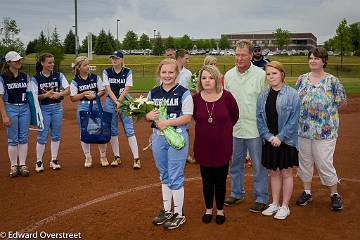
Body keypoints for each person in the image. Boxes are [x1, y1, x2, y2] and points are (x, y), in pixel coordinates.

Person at [295, 47, 347, 211]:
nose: (313, 61)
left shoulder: (333, 81)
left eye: (316, 58)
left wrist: (326, 112)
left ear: (324, 61)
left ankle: (334, 194)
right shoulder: (302, 79)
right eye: (310, 58)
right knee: (304, 162)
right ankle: (307, 192)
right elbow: (295, 100)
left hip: (325, 132)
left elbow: (343, 102)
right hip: (303, 130)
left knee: (324, 163)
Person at [145, 58, 193, 230]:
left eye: (171, 72)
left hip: (177, 137)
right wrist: (147, 116)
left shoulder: (183, 92)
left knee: (175, 176)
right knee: (164, 174)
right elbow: (148, 114)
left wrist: (167, 123)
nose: (167, 75)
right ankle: (167, 210)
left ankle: (179, 214)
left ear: (177, 74)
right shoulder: (153, 93)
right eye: (164, 72)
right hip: (158, 137)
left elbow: (187, 117)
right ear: (160, 73)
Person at [224, 40, 269, 213]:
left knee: (258, 165)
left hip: (255, 129)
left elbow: (266, 101)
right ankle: (237, 193)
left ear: (251, 55)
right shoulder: (228, 76)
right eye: (237, 54)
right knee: (235, 163)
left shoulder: (260, 75)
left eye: (243, 55)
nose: (239, 58)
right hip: (235, 128)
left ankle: (261, 197)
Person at [193, 65, 239, 224]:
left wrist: (222, 130)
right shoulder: (195, 99)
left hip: (222, 146)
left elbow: (235, 116)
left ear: (217, 80)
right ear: (200, 80)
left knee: (220, 180)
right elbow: (192, 117)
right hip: (203, 146)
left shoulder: (227, 97)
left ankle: (220, 210)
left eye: (211, 78)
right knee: (206, 181)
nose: (207, 81)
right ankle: (208, 209)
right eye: (204, 77)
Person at [256, 61, 300, 220]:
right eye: (268, 74)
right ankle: (274, 203)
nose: (271, 76)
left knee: (286, 172)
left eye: (274, 73)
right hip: (270, 140)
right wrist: (268, 136)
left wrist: (280, 137)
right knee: (273, 172)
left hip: (286, 141)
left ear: (282, 74)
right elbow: (259, 118)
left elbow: (293, 120)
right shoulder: (262, 95)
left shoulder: (292, 94)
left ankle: (285, 206)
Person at [32, 53, 70, 172]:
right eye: (49, 62)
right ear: (42, 63)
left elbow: (69, 89)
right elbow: (33, 97)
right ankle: (39, 161)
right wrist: (45, 95)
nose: (52, 64)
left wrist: (60, 94)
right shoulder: (36, 78)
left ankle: (54, 159)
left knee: (56, 135)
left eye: (53, 62)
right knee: (42, 136)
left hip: (57, 108)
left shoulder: (59, 75)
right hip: (43, 108)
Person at [103, 50, 140, 169]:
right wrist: (116, 101)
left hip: (124, 101)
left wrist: (120, 101)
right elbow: (108, 89)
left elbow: (126, 89)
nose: (114, 60)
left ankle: (136, 159)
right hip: (111, 101)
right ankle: (116, 157)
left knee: (129, 129)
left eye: (117, 58)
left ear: (122, 59)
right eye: (113, 58)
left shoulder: (128, 71)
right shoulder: (107, 71)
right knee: (113, 130)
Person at [69, 56, 108, 168]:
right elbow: (73, 98)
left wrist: (95, 95)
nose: (88, 67)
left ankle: (103, 156)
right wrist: (84, 93)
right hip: (84, 107)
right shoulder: (75, 81)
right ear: (79, 67)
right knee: (85, 132)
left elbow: (102, 91)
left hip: (97, 105)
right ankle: (88, 157)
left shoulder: (95, 77)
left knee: (101, 130)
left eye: (88, 64)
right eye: (85, 65)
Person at [0, 51, 31, 177]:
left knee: (23, 137)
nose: (19, 62)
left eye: (20, 60)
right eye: (16, 60)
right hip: (10, 107)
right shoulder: (2, 78)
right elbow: (0, 98)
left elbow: (30, 96)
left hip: (25, 108)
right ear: (8, 63)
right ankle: (13, 166)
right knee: (13, 139)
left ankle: (22, 165)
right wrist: (4, 115)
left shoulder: (25, 76)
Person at [176, 49, 195, 164]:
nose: (187, 60)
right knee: (172, 129)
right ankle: (173, 153)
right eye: (186, 58)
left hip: (185, 106)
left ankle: (185, 154)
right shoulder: (170, 70)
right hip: (172, 105)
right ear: (180, 58)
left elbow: (190, 89)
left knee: (185, 130)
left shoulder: (188, 73)